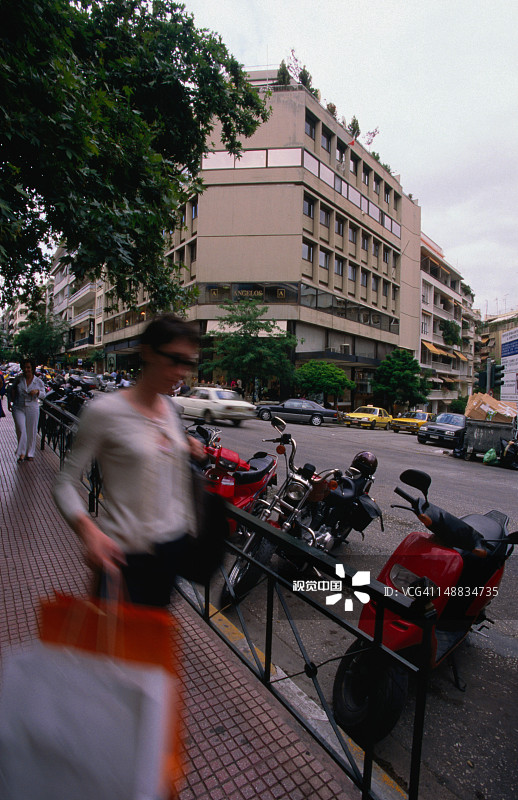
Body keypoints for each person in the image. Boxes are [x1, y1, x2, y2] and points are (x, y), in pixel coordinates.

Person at [53, 314, 204, 607]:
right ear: (147, 351)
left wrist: (186, 445)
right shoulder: (105, 411)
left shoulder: (171, 409)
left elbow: (154, 447)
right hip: (122, 559)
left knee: (151, 649)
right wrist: (89, 533)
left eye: (188, 363)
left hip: (171, 555)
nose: (182, 371)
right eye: (174, 359)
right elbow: (65, 483)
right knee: (112, 650)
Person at [7, 358, 46, 461]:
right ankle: (21, 452)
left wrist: (37, 392)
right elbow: (11, 390)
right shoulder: (19, 379)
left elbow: (44, 395)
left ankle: (30, 453)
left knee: (31, 431)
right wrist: (9, 402)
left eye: (28, 367)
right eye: (24, 367)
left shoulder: (38, 381)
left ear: (32, 368)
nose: (26, 369)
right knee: (21, 429)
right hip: (18, 407)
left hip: (32, 408)